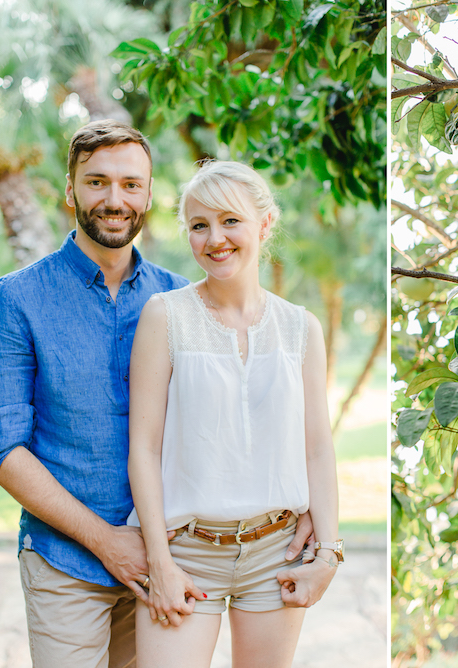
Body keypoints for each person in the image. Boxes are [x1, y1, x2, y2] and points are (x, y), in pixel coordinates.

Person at [0, 120, 313, 668]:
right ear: (69, 191)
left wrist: (308, 503)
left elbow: (241, 425)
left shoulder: (182, 299)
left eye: (131, 184)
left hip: (173, 557)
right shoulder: (16, 299)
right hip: (66, 561)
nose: (114, 198)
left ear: (149, 195)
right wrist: (108, 541)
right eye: (96, 182)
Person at [126, 160, 341, 668]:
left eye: (230, 221)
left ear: (264, 225)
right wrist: (159, 561)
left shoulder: (301, 329)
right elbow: (144, 448)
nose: (215, 238)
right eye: (199, 225)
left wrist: (328, 553)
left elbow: (317, 447)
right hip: (187, 552)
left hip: (276, 553)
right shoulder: (165, 316)